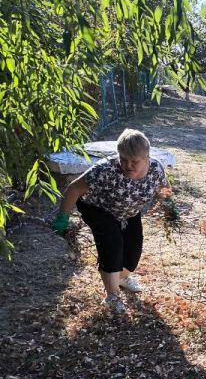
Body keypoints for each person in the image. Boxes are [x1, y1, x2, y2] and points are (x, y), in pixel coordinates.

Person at [52, 129, 173, 313]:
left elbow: (164, 188)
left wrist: (170, 207)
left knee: (134, 247)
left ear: (146, 157)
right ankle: (112, 296)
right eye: (123, 159)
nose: (127, 165)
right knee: (112, 243)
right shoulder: (105, 169)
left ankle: (122, 278)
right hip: (97, 207)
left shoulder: (155, 169)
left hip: (128, 210)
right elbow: (74, 189)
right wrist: (63, 218)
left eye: (134, 161)